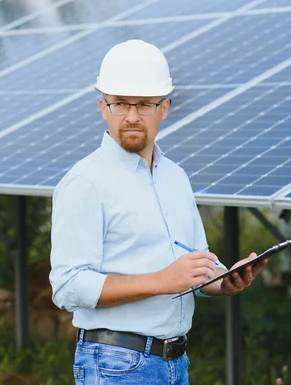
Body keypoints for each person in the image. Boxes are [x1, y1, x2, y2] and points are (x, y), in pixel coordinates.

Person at [48, 39, 268, 384]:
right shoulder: (85, 183)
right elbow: (67, 287)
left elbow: (194, 264)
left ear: (163, 108)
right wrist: (160, 281)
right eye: (121, 104)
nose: (132, 117)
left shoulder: (175, 177)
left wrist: (223, 281)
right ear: (103, 107)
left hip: (175, 363)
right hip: (115, 364)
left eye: (144, 105)